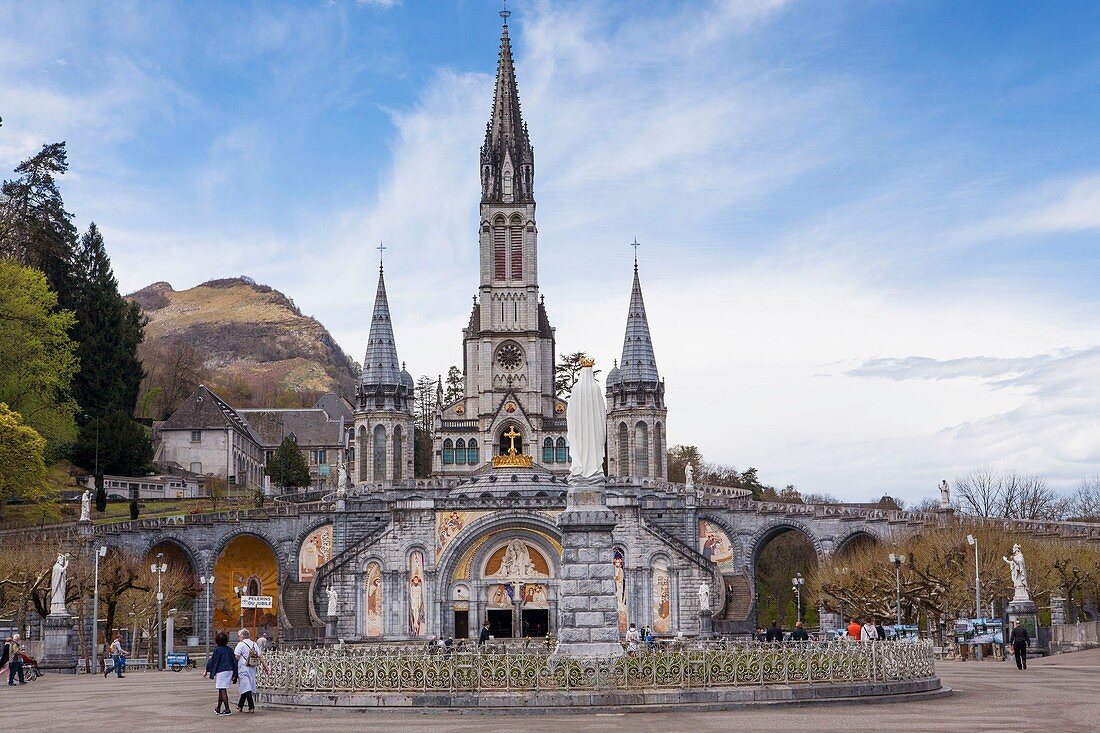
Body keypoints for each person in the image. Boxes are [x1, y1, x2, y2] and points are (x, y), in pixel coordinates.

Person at [233, 628, 267, 713]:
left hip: (243, 667)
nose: (239, 638)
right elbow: (260, 656)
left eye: (239, 636)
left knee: (246, 687)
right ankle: (240, 706)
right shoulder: (254, 644)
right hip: (252, 667)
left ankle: (251, 707)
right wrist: (265, 666)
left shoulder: (240, 644)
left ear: (242, 636)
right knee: (246, 686)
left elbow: (236, 657)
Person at [205, 632, 236, 715]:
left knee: (222, 690)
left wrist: (207, 670)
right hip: (229, 670)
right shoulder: (229, 649)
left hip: (221, 671)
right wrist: (235, 673)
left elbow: (213, 661)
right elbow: (234, 661)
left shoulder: (217, 650)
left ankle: (227, 709)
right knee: (221, 689)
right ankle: (218, 708)